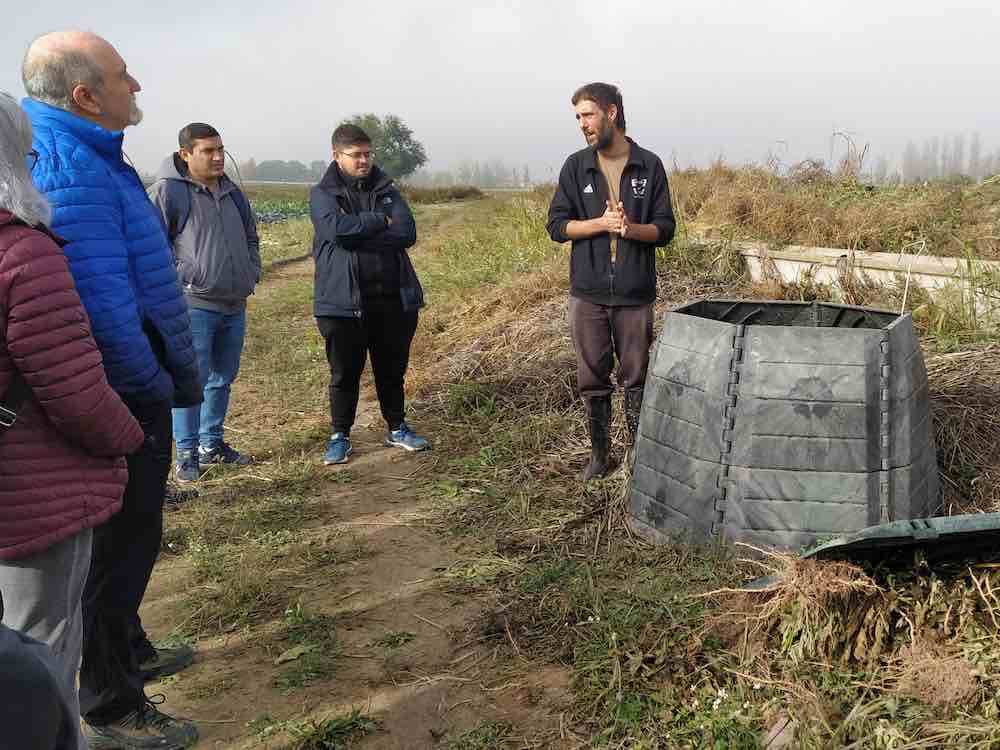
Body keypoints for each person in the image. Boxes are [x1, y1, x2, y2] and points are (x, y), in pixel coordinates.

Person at [22, 31, 200, 748]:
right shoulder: (70, 168)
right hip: (124, 393)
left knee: (133, 543)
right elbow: (103, 304)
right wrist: (148, 385)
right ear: (85, 95)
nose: (139, 89)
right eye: (125, 78)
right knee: (113, 554)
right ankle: (112, 706)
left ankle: (129, 651)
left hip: (135, 384)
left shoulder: (94, 156)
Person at [0, 90, 144, 750]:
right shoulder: (22, 254)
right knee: (39, 653)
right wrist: (130, 436)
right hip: (32, 494)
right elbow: (77, 392)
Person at [546, 83, 676, 481]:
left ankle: (637, 456)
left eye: (588, 115)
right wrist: (599, 225)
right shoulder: (575, 166)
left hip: (635, 294)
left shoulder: (649, 165)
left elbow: (666, 229)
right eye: (578, 118)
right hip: (587, 296)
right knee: (592, 379)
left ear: (612, 113)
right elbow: (556, 226)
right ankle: (599, 457)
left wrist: (630, 230)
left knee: (636, 376)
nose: (583, 124)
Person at [310, 123, 429, 465]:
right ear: (337, 156)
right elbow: (336, 230)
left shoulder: (386, 188)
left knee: (391, 369)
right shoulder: (323, 194)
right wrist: (380, 221)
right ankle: (340, 435)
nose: (364, 161)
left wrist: (359, 230)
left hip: (393, 298)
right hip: (342, 302)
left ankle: (397, 427)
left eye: (368, 154)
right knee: (344, 372)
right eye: (356, 155)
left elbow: (406, 232)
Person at [148, 122, 261, 483]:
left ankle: (211, 444)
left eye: (220, 150)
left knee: (222, 377)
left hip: (234, 301)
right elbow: (154, 246)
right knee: (190, 379)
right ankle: (186, 452)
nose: (217, 157)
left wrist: (252, 271)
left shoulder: (233, 192)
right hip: (193, 303)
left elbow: (250, 236)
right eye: (208, 151)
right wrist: (181, 279)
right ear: (186, 154)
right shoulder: (169, 192)